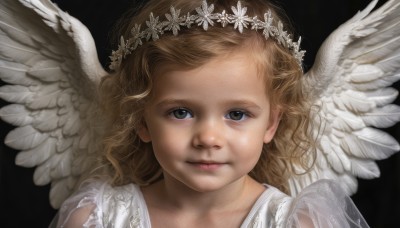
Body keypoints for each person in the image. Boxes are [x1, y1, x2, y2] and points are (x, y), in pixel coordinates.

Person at [49, 0, 373, 227]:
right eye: (180, 112)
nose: (208, 138)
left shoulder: (296, 223)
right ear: (140, 119)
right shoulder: (97, 219)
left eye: (236, 114)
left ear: (271, 123)